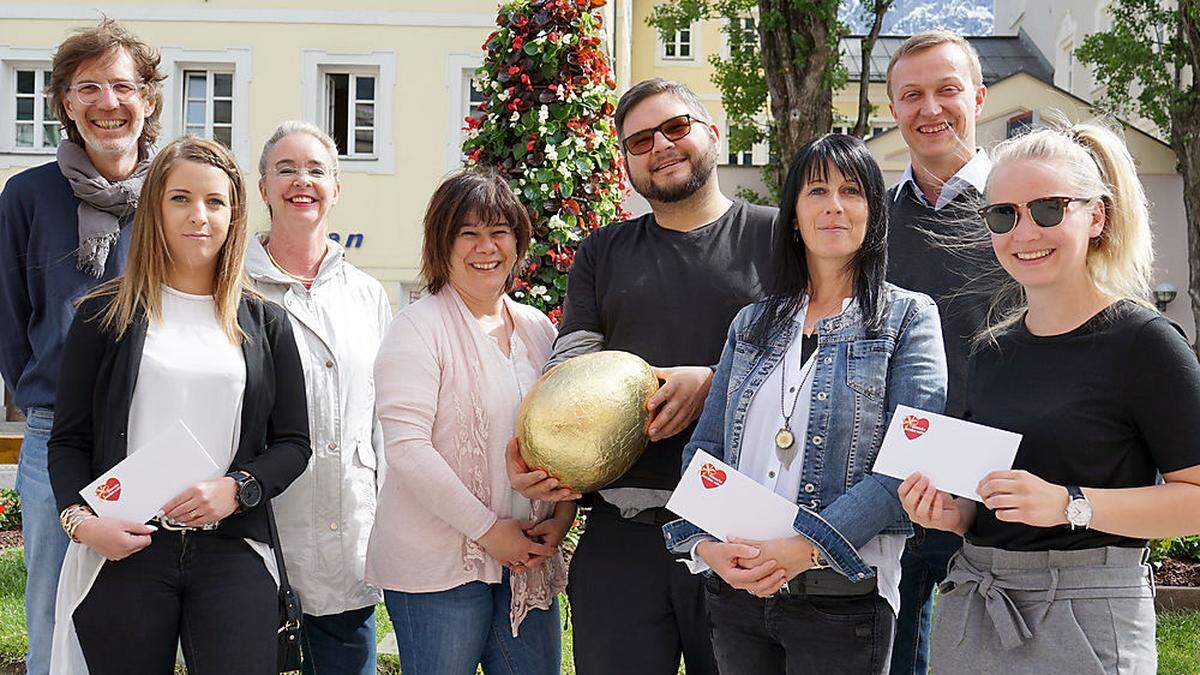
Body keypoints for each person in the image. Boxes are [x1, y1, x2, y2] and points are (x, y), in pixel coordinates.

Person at [899, 122, 1200, 674]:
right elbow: (992, 502)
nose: (1024, 232)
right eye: (1004, 214)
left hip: (1087, 619)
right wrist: (955, 513)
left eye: (1047, 209)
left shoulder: (1146, 343)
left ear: (1096, 216)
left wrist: (1069, 504)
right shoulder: (991, 351)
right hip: (979, 608)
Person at [508, 77, 776, 675]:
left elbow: (813, 354)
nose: (660, 145)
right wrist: (540, 449)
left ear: (712, 133)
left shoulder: (776, 235)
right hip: (623, 532)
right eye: (639, 140)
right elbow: (573, 357)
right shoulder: (603, 250)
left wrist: (714, 379)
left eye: (676, 128)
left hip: (741, 526)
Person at [660, 133, 947, 674]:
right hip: (738, 593)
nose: (834, 205)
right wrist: (705, 547)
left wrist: (805, 546)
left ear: (874, 213)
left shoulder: (908, 318)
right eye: (817, 191)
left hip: (842, 600)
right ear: (793, 214)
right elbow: (706, 452)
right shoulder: (752, 324)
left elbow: (907, 467)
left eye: (852, 191)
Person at [46, 135, 311, 674]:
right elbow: (68, 439)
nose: (199, 215)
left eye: (216, 201)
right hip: (125, 548)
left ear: (235, 214)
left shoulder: (265, 322)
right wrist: (81, 521)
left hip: (232, 550)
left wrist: (238, 489)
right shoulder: (104, 316)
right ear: (155, 209)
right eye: (180, 198)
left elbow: (293, 444)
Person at [0, 19, 163, 675]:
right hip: (53, 432)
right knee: (51, 606)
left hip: (159, 430)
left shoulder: (175, 194)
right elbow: (11, 326)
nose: (107, 101)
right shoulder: (27, 196)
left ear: (148, 99)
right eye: (87, 86)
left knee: (153, 600)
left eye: (122, 85)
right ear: (65, 103)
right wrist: (59, 396)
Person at [366, 170, 573, 675]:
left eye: (500, 231)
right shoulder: (417, 328)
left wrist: (559, 520)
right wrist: (488, 531)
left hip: (526, 561)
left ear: (518, 241)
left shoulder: (536, 328)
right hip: (438, 570)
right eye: (469, 233)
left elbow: (563, 436)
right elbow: (409, 450)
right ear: (444, 243)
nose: (487, 247)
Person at [247, 121, 390, 675]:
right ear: (262, 188)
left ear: (337, 187)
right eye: (285, 169)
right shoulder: (233, 285)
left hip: (350, 539)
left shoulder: (366, 294)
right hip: (261, 534)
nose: (300, 181)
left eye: (316, 170)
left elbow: (381, 419)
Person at [883, 30, 994, 673]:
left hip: (997, 483)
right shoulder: (872, 219)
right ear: (894, 111)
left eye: (947, 90)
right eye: (912, 95)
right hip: (894, 478)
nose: (930, 109)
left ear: (978, 96)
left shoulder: (1021, 208)